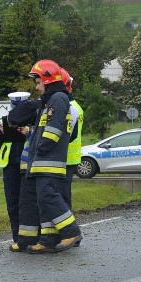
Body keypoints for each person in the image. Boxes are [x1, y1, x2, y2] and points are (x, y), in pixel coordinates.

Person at [22, 59, 83, 254]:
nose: (37, 87)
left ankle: (71, 231)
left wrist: (40, 147)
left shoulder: (57, 98)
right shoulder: (54, 99)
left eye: (38, 82)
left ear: (48, 80)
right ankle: (48, 239)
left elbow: (53, 131)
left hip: (48, 160)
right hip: (45, 161)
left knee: (48, 196)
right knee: (43, 199)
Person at [0, 92, 31, 251]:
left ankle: (31, 237)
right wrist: (1, 132)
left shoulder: (33, 121)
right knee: (13, 204)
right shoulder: (7, 121)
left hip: (27, 165)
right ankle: (18, 238)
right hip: (10, 167)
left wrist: (29, 132)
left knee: (27, 203)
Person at [60, 69, 83, 211]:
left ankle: (67, 222)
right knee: (65, 191)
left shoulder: (68, 107)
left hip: (65, 155)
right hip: (72, 156)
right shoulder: (77, 107)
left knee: (63, 194)